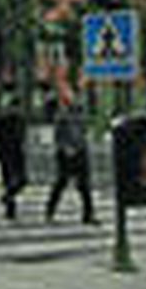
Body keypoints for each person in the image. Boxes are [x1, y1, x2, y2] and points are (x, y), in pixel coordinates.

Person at [46, 92, 98, 225]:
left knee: (84, 186)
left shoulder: (80, 116)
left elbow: (83, 132)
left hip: (80, 152)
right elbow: (58, 136)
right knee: (61, 182)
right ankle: (50, 211)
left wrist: (81, 147)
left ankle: (88, 214)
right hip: (66, 154)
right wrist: (66, 148)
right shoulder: (62, 117)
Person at [0, 100, 29, 221]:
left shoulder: (20, 120)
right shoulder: (2, 121)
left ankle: (7, 197)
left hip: (17, 152)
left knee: (21, 180)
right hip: (5, 153)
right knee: (9, 180)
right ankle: (10, 209)